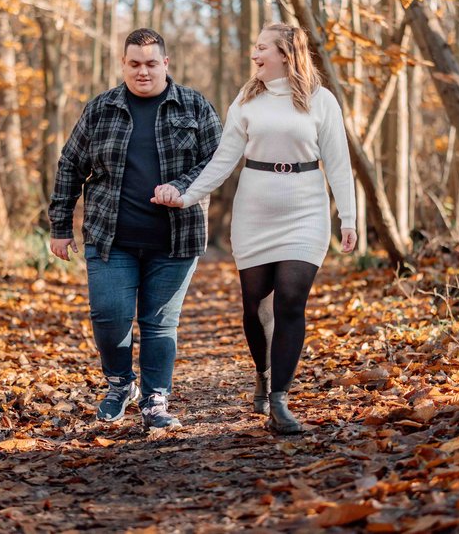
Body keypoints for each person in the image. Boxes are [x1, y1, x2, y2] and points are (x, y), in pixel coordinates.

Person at [151, 23, 356, 434]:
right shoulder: (247, 100)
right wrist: (187, 196)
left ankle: (280, 399)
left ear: (286, 53)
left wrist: (348, 217)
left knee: (291, 303)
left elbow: (337, 162)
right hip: (255, 210)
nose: (254, 55)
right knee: (254, 307)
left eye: (262, 47)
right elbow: (224, 160)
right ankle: (262, 372)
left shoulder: (321, 101)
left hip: (306, 210)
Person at [49, 28, 222, 430]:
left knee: (160, 323)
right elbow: (70, 165)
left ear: (165, 63)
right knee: (110, 315)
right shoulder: (101, 108)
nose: (142, 72)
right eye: (134, 64)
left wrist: (181, 187)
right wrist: (60, 226)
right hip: (111, 238)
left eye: (150, 63)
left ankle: (156, 399)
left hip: (176, 239)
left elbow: (218, 161)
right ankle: (120, 384)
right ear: (123, 65)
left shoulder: (194, 106)